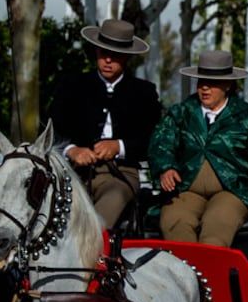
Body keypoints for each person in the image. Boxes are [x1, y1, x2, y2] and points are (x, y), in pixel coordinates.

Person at [149, 50, 248, 247]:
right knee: (174, 222)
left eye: (213, 82)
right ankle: (185, 275)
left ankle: (210, 276)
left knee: (216, 227)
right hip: (187, 188)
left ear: (228, 85)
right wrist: (166, 168)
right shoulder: (181, 112)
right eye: (201, 81)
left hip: (233, 190)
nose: (205, 87)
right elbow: (161, 143)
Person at [47, 19, 162, 228]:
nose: (108, 60)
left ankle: (90, 249)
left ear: (127, 57)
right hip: (72, 173)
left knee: (110, 204)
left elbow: (154, 139)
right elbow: (51, 130)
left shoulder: (144, 93)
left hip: (120, 174)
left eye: (115, 55)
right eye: (103, 54)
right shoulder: (72, 86)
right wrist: (71, 150)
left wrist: (119, 146)